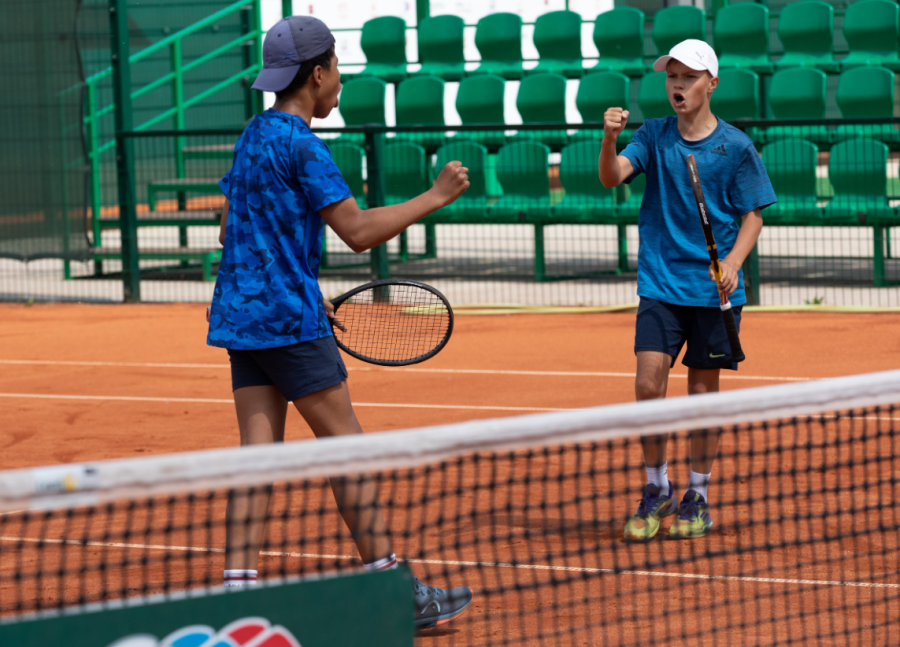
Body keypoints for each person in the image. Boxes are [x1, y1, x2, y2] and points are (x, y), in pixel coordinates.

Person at [207, 15, 473, 629]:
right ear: (318, 73)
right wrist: (434, 197)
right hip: (290, 325)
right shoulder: (304, 144)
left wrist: (295, 283)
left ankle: (235, 597)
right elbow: (355, 232)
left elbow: (230, 231)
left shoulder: (253, 134)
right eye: (337, 71)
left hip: (241, 317)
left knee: (257, 459)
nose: (341, 84)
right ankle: (392, 592)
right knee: (348, 452)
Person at [598, 40, 776, 541]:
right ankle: (657, 488)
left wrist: (736, 263)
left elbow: (753, 215)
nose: (678, 85)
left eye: (689, 77)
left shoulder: (736, 147)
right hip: (660, 283)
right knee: (648, 385)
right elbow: (612, 177)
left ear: (711, 83)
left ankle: (698, 493)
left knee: (702, 397)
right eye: (672, 76)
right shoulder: (653, 135)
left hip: (713, 293)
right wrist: (609, 139)